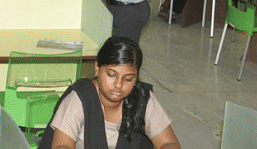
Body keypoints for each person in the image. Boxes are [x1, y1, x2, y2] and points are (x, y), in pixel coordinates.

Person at [38, 36, 181, 149]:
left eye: (128, 79)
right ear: (97, 68)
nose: (118, 85)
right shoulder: (80, 99)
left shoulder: (142, 98)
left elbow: (168, 143)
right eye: (111, 75)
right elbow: (62, 145)